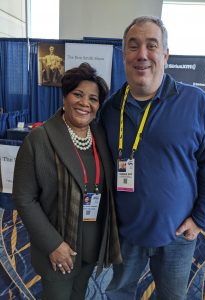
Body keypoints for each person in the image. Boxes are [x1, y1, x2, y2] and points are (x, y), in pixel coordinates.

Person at [100, 16, 205, 300]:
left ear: (165, 55)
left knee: (172, 296)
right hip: (125, 233)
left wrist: (200, 218)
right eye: (133, 46)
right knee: (118, 293)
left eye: (151, 45)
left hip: (178, 234)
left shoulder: (196, 103)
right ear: (123, 56)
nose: (142, 54)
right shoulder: (110, 110)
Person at [12, 63, 122, 300]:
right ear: (65, 96)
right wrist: (53, 245)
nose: (85, 103)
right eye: (78, 94)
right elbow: (24, 198)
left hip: (91, 243)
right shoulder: (39, 139)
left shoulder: (100, 135)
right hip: (58, 247)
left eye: (93, 98)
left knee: (78, 295)